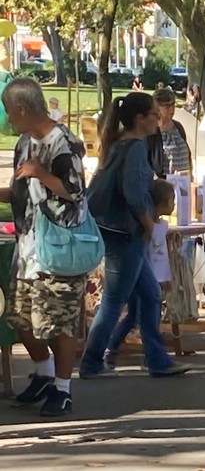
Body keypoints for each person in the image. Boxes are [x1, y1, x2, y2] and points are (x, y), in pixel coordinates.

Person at [80, 92, 190, 379]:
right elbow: (133, 192)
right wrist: (148, 223)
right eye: (154, 114)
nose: (159, 118)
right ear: (140, 119)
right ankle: (92, 362)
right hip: (124, 232)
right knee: (115, 301)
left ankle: (156, 360)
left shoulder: (119, 144)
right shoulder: (135, 148)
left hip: (116, 230)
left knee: (150, 295)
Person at [1, 78, 88, 416]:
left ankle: (63, 389)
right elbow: (20, 191)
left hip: (60, 246)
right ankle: (43, 371)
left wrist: (41, 173)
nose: (8, 119)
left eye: (9, 112)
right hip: (27, 246)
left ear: (23, 109)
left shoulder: (62, 143)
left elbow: (76, 191)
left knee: (59, 321)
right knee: (20, 318)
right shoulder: (24, 143)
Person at [103, 179, 178, 369]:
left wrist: (165, 278)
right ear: (161, 202)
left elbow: (162, 257)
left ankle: (121, 350)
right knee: (137, 315)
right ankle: (114, 348)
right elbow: (148, 255)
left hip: (155, 277)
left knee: (137, 316)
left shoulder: (163, 226)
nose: (174, 203)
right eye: (172, 199)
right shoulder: (147, 227)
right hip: (142, 276)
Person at [147, 88, 191, 178]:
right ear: (157, 107)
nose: (171, 109)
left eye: (173, 105)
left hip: (183, 183)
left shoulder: (178, 127)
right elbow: (145, 162)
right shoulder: (150, 131)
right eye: (167, 106)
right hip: (162, 186)